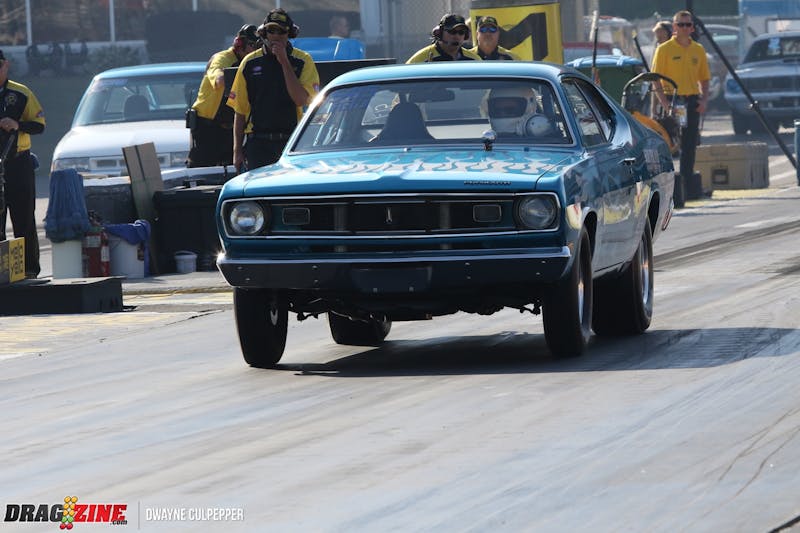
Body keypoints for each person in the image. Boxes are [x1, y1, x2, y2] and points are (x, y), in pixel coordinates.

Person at [228, 8, 319, 171]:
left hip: (291, 141)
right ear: (264, 33)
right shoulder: (249, 62)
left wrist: (284, 62)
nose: (276, 36)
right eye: (271, 30)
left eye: (281, 31)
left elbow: (301, 100)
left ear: (289, 34)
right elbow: (240, 111)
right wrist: (237, 151)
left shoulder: (303, 60)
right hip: (258, 143)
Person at [652, 10, 710, 207]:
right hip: (673, 101)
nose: (685, 28)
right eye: (681, 25)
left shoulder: (698, 50)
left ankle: (687, 185)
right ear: (674, 27)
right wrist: (664, 103)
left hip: (691, 100)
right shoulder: (664, 49)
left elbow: (705, 78)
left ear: (692, 28)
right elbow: (655, 79)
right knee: (672, 144)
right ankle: (669, 188)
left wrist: (704, 100)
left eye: (688, 25)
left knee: (690, 143)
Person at [187, 24, 260, 168]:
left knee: (233, 170)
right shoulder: (223, 58)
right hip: (207, 128)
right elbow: (219, 79)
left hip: (232, 128)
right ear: (240, 44)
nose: (256, 50)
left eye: (259, 45)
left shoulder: (253, 62)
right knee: (202, 170)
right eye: (252, 45)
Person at [0, 49, 45, 279]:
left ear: (6, 65)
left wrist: (17, 125)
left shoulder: (21, 93)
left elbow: (39, 125)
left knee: (24, 218)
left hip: (18, 163)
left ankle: (29, 270)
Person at [406, 14, 481, 63]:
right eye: (452, 31)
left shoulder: (474, 59)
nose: (457, 36)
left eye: (461, 32)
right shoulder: (421, 59)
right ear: (440, 33)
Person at [486, 86, 553, 138]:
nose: (502, 113)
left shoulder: (549, 142)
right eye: (497, 111)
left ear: (530, 107)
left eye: (510, 110)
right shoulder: (486, 144)